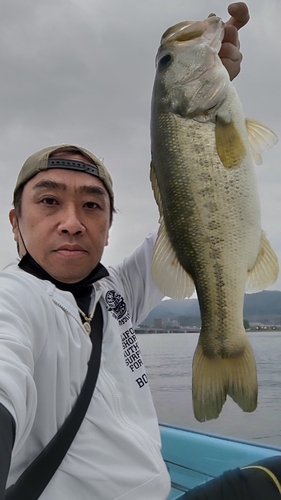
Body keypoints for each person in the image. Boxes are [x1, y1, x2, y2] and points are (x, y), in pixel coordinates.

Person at [0, 3, 261, 500]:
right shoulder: (13, 301)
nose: (73, 222)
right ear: (16, 222)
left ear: (109, 224)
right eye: (50, 201)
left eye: (93, 205)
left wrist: (213, 87)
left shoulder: (116, 290)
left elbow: (193, 213)